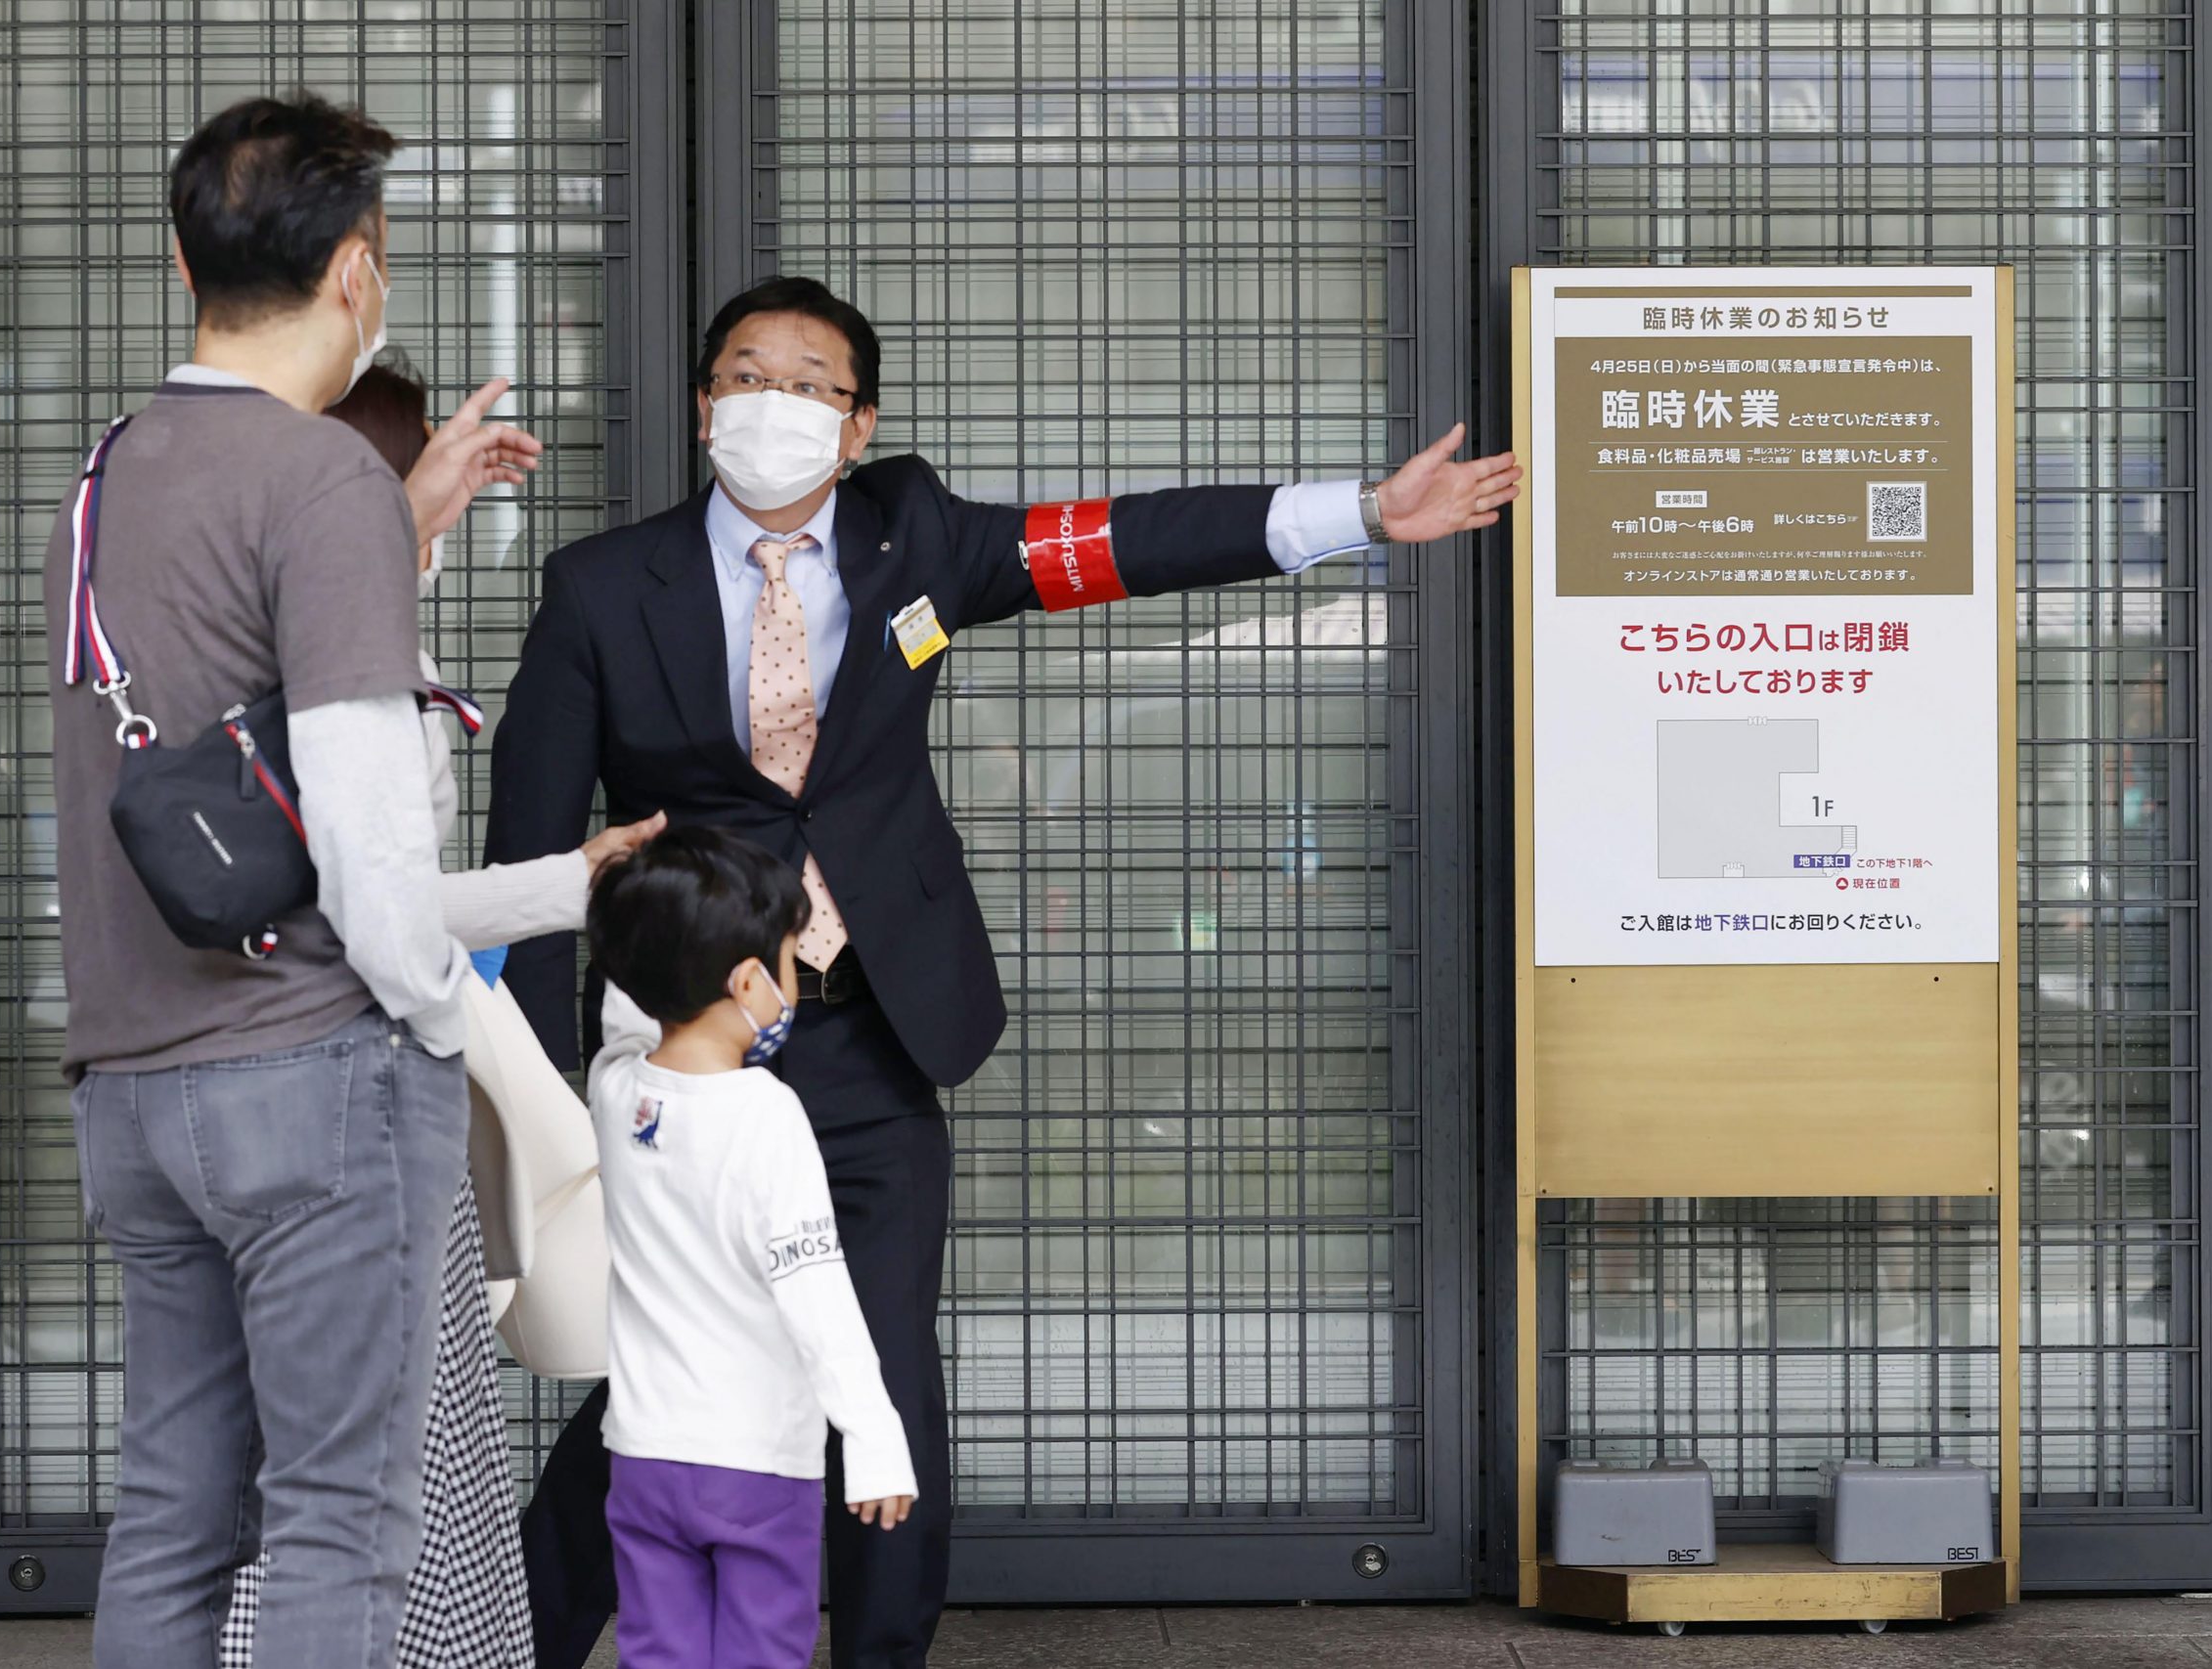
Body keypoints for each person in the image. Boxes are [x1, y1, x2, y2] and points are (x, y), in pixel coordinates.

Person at [487, 274, 1522, 1669]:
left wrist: (1361, 514)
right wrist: (543, 1090)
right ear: (701, 406)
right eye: (745, 375)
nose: (774, 403)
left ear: (857, 425)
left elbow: (1121, 543)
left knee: (883, 1367)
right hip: (680, 1052)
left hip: (867, 1029)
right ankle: (514, 1642)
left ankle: (883, 1655)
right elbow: (531, 843)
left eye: (809, 384)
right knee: (671, 1373)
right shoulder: (604, 585)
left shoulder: (915, 540)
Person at [45, 94, 539, 1669]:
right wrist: (435, 1019)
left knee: (174, 1515)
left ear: (184, 258)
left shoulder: (109, 473)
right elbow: (367, 821)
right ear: (354, 268)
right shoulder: (321, 479)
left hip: (131, 1079)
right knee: (339, 1518)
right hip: (311, 1072)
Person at [215, 362, 662, 1669]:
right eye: (443, 470)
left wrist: (568, 882)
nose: (460, 507)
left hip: (252, 1091)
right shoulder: (361, 657)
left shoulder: (250, 631)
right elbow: (384, 921)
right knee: (393, 1453)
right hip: (362, 1101)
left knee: (314, 1439)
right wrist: (457, 1003)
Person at [583, 826, 918, 1669]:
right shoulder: (767, 1115)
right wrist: (873, 1436)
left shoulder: (616, 1092)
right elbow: (817, 1290)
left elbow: (624, 1014)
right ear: (746, 982)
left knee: (656, 1652)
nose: (794, 984)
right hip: (758, 1465)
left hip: (645, 1456)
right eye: (791, 963)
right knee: (761, 1653)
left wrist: (639, 900)